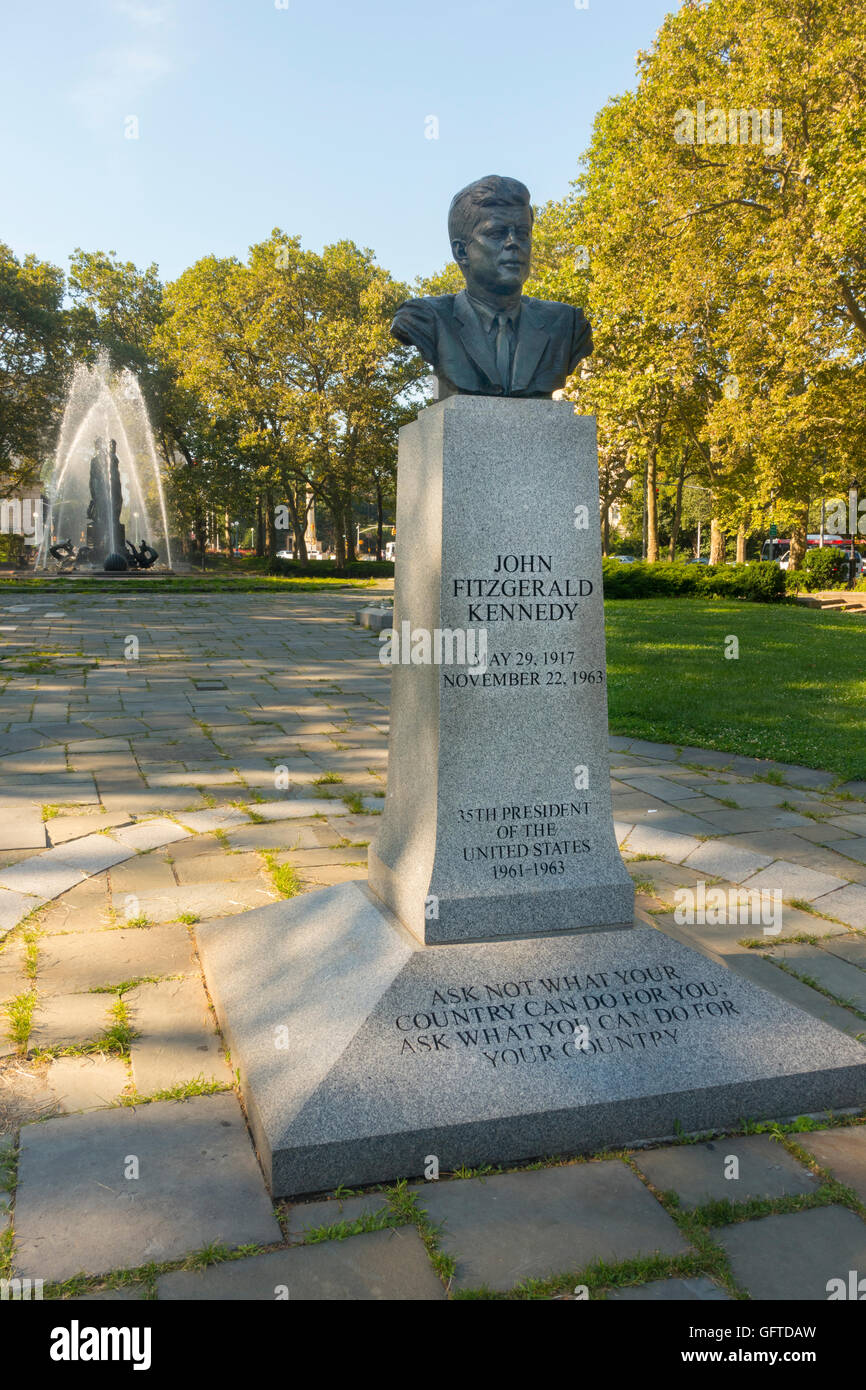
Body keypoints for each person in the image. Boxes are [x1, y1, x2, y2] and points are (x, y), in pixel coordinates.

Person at [391, 175, 592, 399]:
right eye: (497, 233)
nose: (513, 243)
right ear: (461, 251)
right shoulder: (425, 319)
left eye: (523, 233)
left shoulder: (566, 324)